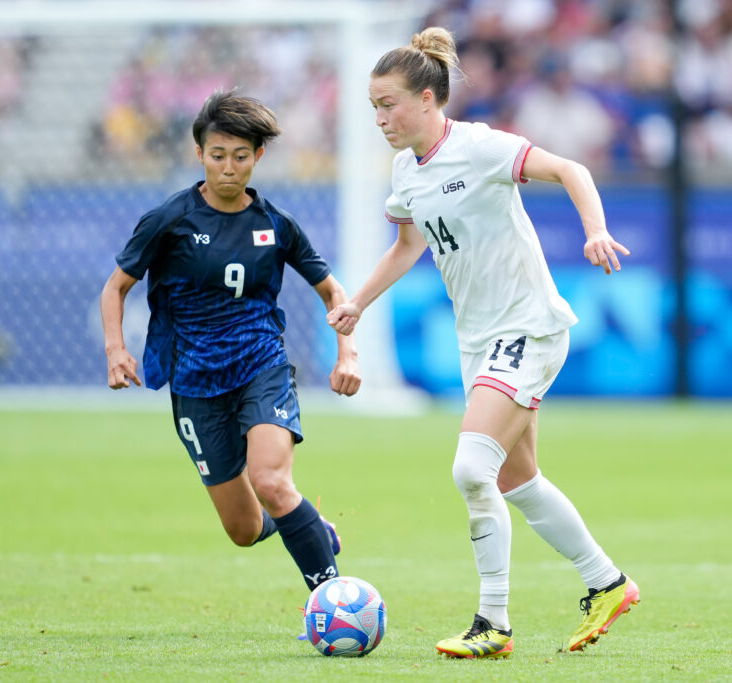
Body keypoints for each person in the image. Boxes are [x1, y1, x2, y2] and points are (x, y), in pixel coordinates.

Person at [326, 27, 639, 658]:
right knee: (519, 480)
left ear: (426, 97)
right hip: (481, 341)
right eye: (373, 107)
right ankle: (608, 582)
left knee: (473, 470)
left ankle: (492, 622)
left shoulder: (481, 147)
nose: (380, 117)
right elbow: (408, 246)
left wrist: (595, 231)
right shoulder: (405, 169)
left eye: (388, 104)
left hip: (527, 326)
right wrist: (358, 300)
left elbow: (570, 168)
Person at [101, 90, 361, 598]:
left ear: (257, 158)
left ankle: (333, 600)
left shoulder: (277, 225)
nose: (228, 167)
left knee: (271, 480)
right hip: (195, 383)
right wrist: (116, 349)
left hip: (261, 365)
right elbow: (116, 287)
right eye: (217, 155)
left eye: (240, 157)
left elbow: (332, 290)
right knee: (243, 530)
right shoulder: (169, 220)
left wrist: (347, 351)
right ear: (199, 154)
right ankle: (305, 525)